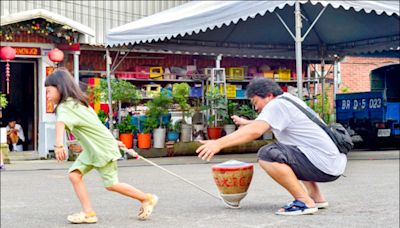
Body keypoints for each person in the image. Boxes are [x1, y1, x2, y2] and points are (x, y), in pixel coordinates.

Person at [196, 77, 347, 216]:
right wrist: (247, 123)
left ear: (268, 95)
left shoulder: (276, 105)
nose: (255, 108)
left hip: (323, 164)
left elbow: (256, 131)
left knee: (268, 154)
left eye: (255, 102)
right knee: (291, 151)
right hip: (331, 163)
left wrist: (217, 143)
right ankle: (316, 198)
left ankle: (304, 202)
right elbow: (268, 124)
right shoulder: (288, 99)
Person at [45, 68, 158, 224]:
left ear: (60, 88)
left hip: (101, 149)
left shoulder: (66, 106)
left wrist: (59, 146)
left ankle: (147, 198)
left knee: (112, 184)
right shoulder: (79, 103)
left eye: (49, 91)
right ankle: (89, 213)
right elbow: (97, 126)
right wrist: (113, 140)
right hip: (93, 149)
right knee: (74, 175)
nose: (48, 95)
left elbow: (60, 122)